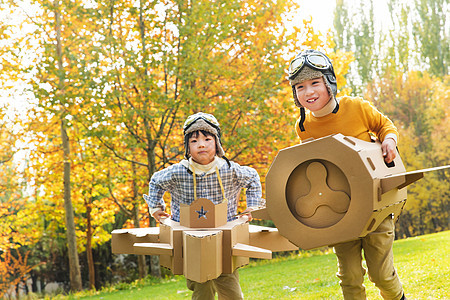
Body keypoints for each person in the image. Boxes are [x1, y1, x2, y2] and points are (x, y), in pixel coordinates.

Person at [287, 49, 406, 300]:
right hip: (339, 212)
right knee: (350, 277)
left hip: (376, 205)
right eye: (300, 87)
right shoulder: (303, 127)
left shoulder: (356, 107)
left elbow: (385, 125)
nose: (308, 92)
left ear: (329, 82)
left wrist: (390, 141)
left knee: (381, 275)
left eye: (314, 83)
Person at [143, 112, 262, 300]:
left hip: (224, 241)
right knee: (201, 291)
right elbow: (156, 181)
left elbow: (253, 177)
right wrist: (156, 208)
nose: (201, 144)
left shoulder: (229, 170)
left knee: (231, 292)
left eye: (207, 139)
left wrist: (252, 207)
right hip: (190, 244)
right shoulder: (178, 172)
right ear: (187, 147)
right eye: (194, 141)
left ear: (217, 143)